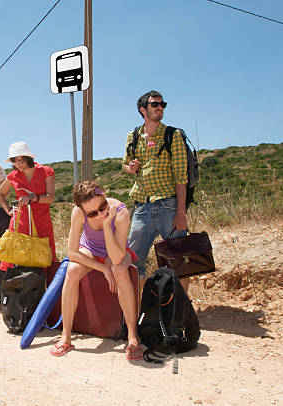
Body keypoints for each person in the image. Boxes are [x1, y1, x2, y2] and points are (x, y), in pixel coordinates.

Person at [51, 181, 142, 361]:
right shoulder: (78, 213)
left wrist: (107, 225)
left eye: (102, 207)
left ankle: (133, 336)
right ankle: (66, 336)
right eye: (93, 213)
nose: (100, 214)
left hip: (116, 251)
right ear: (83, 211)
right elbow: (72, 252)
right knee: (72, 270)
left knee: (120, 270)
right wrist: (102, 268)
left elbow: (116, 257)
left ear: (105, 196)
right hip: (91, 251)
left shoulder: (120, 212)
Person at [122, 90, 190, 292]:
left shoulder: (173, 135)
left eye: (162, 104)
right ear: (143, 110)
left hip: (168, 206)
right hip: (141, 206)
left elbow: (181, 176)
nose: (160, 107)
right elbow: (124, 164)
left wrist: (181, 212)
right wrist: (130, 168)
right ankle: (140, 307)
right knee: (132, 263)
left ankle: (180, 309)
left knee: (180, 262)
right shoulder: (133, 136)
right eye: (155, 104)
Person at [0, 141, 56, 270]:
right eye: (14, 161)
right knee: (15, 258)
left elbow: (50, 198)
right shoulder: (13, 176)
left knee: (44, 257)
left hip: (42, 221)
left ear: (28, 158)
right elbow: (0, 194)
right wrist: (8, 211)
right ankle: (16, 288)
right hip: (20, 222)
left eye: (21, 160)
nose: (18, 164)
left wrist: (33, 198)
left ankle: (47, 289)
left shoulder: (46, 171)